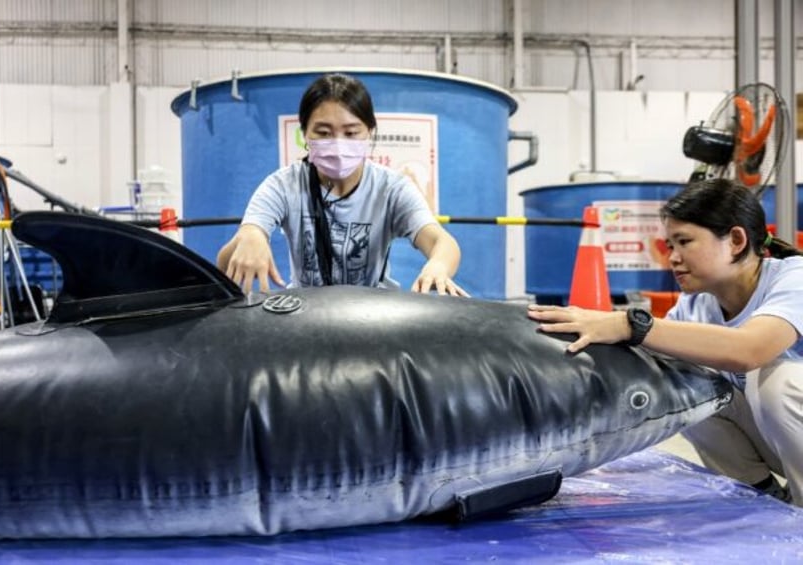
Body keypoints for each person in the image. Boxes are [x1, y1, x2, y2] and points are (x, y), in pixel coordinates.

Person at [528, 178, 803, 505]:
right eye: (669, 245)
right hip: (782, 446)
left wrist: (630, 323)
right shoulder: (696, 305)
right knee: (680, 381)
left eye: (684, 241)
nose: (671, 257)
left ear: (736, 240)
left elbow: (750, 349)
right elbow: (646, 366)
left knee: (774, 381)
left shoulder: (793, 278)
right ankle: (762, 499)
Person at [217, 73, 466, 297]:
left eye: (351, 132)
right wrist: (250, 236)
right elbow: (225, 260)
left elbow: (440, 242)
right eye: (323, 133)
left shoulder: (392, 188)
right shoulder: (283, 185)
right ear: (305, 134)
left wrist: (439, 265)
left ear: (369, 132)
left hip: (373, 315)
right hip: (305, 314)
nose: (337, 143)